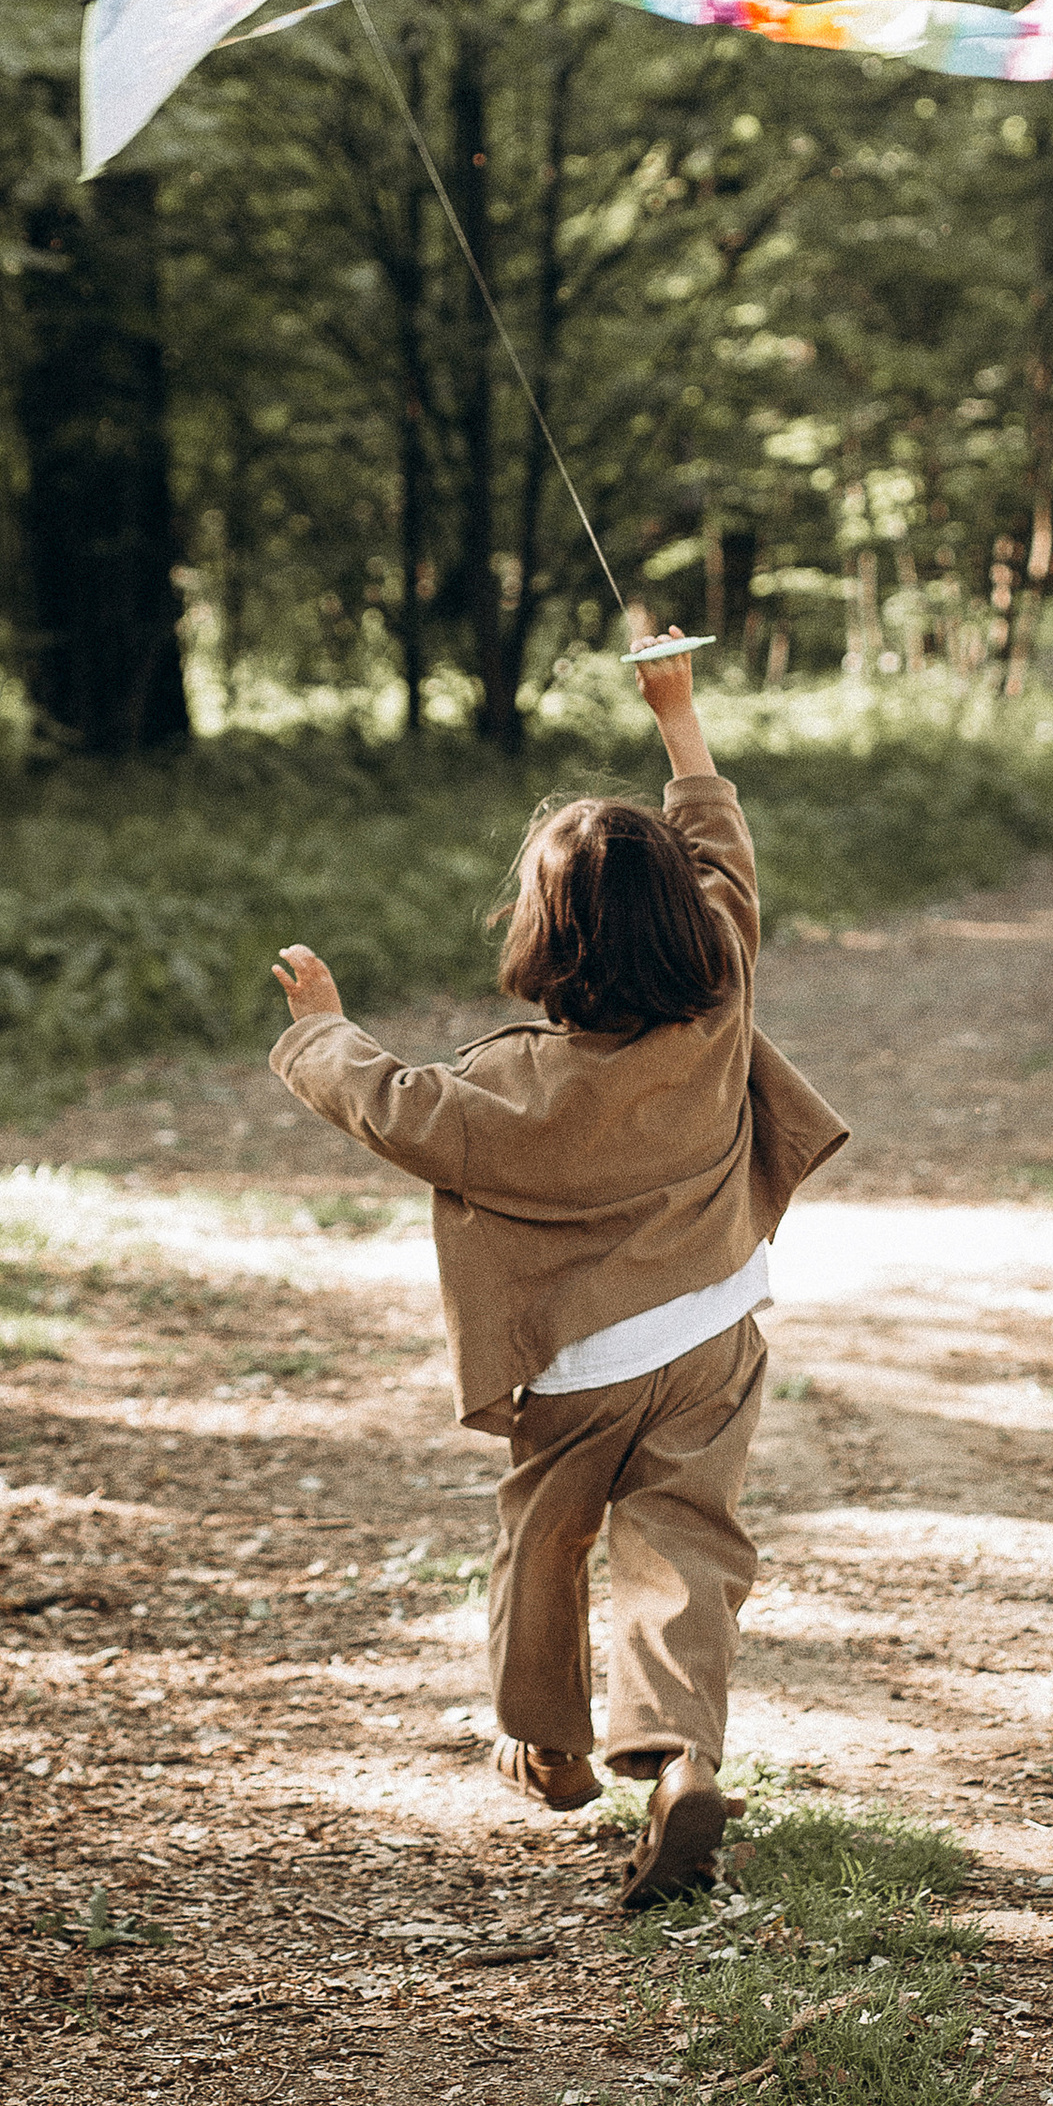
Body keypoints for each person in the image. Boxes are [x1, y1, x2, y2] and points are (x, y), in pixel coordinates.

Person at [268, 638, 848, 1906]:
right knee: (685, 1545)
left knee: (543, 1540)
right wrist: (677, 717)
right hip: (712, 1335)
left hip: (575, 1370)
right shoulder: (722, 998)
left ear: (539, 936)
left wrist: (320, 1026)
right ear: (692, 920)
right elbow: (720, 852)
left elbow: (385, 1102)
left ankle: (549, 1743)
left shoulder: (503, 1094)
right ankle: (682, 1754)